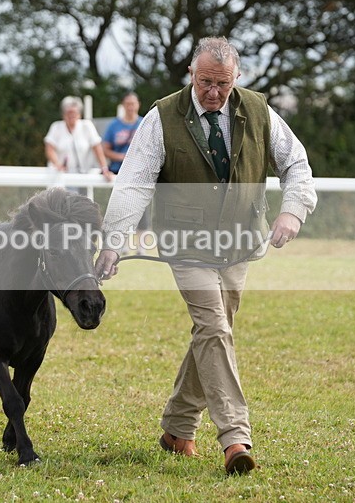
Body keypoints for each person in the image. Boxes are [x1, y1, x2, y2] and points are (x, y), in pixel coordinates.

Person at [94, 37, 317, 475]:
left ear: (237, 78)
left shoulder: (258, 110)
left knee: (213, 332)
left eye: (222, 83)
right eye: (205, 82)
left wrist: (293, 211)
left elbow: (296, 165)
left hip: (238, 243)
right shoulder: (161, 117)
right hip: (187, 245)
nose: (213, 92)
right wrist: (113, 242)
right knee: (214, 327)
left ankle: (177, 428)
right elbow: (134, 182)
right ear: (192, 75)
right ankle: (235, 437)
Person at [101, 92, 148, 253]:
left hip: (139, 172)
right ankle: (123, 244)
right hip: (118, 170)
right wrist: (121, 157)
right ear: (123, 105)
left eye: (133, 103)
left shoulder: (144, 123)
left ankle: (142, 246)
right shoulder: (114, 126)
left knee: (142, 207)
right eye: (127, 104)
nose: (130, 107)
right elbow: (105, 148)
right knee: (120, 207)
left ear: (138, 104)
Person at [44, 96, 113, 193]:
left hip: (83, 176)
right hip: (60, 177)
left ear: (79, 114)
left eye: (74, 113)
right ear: (63, 114)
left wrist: (104, 168)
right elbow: (49, 149)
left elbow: (97, 148)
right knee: (59, 203)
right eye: (68, 113)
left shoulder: (87, 126)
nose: (71, 116)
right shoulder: (56, 127)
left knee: (82, 203)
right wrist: (58, 164)